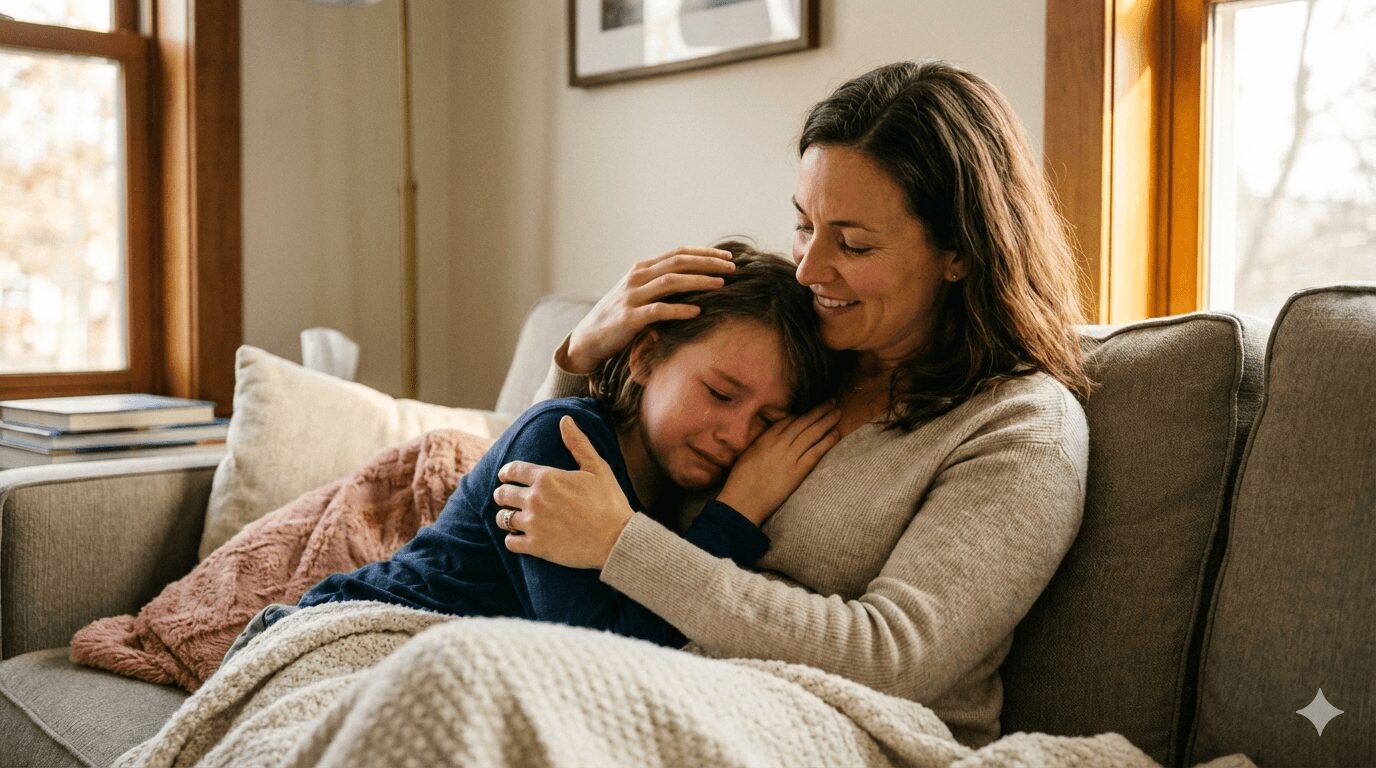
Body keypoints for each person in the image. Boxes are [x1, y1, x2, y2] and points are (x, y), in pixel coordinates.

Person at [491, 59, 1094, 748]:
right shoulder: (798, 361)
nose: (808, 270)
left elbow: (894, 658)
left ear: (957, 252)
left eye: (853, 243)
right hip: (660, 683)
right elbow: (542, 498)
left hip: (850, 731)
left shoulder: (1019, 428)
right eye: (805, 225)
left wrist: (628, 548)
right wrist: (581, 356)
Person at [221, 243, 842, 664]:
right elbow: (598, 651)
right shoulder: (562, 439)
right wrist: (737, 512)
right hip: (352, 629)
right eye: (720, 393)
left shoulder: (685, 490)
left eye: (768, 421)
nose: (735, 434)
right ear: (646, 356)